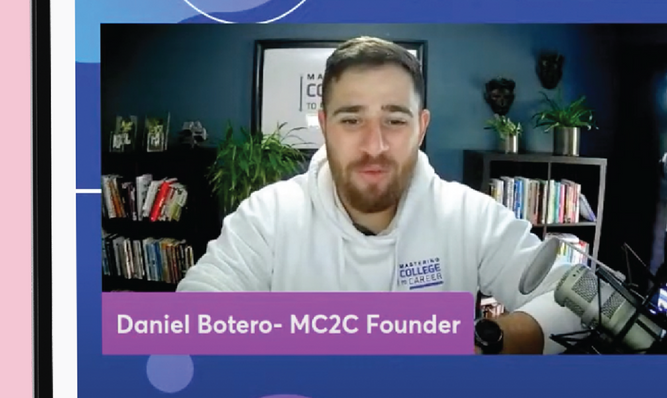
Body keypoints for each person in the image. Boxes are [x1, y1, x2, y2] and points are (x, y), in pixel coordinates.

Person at [179, 37, 582, 353]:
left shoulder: (469, 215)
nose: (375, 145)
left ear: (421, 127)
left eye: (394, 119)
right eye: (351, 119)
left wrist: (490, 341)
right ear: (324, 125)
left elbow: (584, 300)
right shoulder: (268, 216)